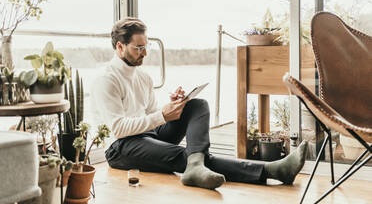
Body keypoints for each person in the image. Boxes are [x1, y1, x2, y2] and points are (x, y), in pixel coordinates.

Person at [91, 17, 308, 190]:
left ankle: (196, 164)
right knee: (183, 155)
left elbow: (148, 114)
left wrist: (172, 106)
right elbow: (118, 129)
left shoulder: (143, 77)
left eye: (146, 46)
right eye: (138, 48)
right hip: (120, 148)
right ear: (120, 47)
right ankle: (271, 170)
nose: (145, 53)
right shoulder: (106, 79)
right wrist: (162, 116)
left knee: (197, 105)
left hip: (148, 136)